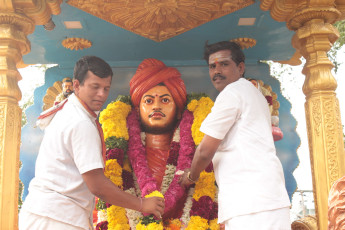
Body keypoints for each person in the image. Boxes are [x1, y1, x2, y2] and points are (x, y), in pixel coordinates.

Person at [19, 56, 164, 230]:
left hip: (48, 214)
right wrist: (142, 204)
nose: (102, 94)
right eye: (95, 87)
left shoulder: (70, 109)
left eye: (106, 88)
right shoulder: (81, 122)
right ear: (76, 85)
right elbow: (97, 185)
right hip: (56, 217)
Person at [96, 58, 220, 229]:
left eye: (165, 100)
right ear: (137, 111)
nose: (156, 107)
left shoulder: (197, 153)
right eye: (148, 101)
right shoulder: (119, 153)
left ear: (178, 111)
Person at [179, 41, 291, 229]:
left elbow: (205, 151)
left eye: (224, 64)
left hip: (252, 202)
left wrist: (191, 176)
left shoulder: (233, 92)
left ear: (240, 67)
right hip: (264, 200)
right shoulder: (252, 93)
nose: (217, 71)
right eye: (212, 66)